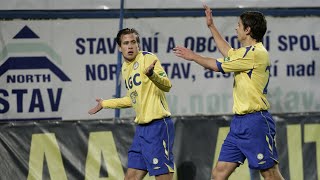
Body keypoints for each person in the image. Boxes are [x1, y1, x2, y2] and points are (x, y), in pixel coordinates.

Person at [173, 5, 284, 180]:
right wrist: (211, 26)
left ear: (247, 30)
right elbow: (228, 52)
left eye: (239, 25)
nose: (236, 28)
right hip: (239, 124)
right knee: (219, 174)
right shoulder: (245, 53)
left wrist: (193, 56)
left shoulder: (255, 54)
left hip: (256, 123)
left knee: (269, 174)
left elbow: (216, 65)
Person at [88, 28, 175, 180]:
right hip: (141, 130)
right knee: (131, 177)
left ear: (138, 45)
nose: (130, 46)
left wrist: (152, 75)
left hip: (158, 127)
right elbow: (132, 99)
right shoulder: (125, 68)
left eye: (133, 42)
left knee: (163, 177)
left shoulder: (147, 58)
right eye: (126, 43)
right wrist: (105, 104)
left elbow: (167, 85)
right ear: (119, 48)